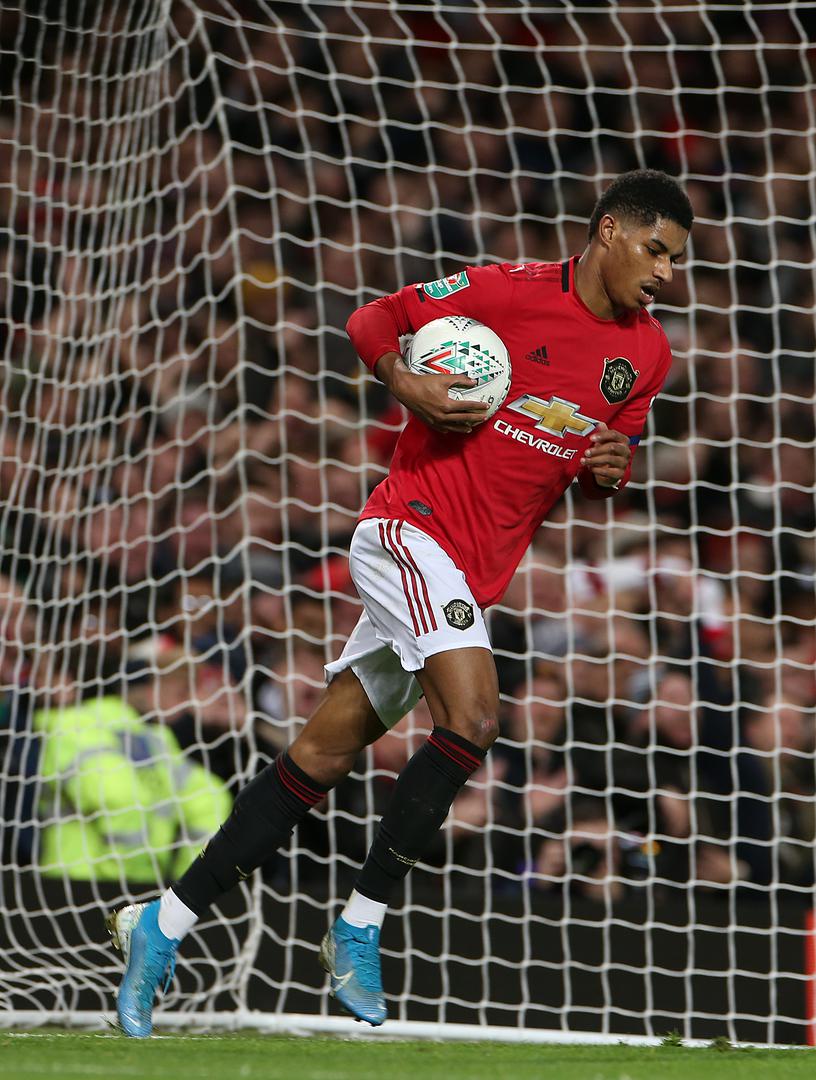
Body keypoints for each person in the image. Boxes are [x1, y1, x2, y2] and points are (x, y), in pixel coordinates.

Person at [107, 169, 693, 1037]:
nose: (665, 274)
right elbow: (372, 319)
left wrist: (611, 470)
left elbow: (603, 463)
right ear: (608, 230)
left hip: (471, 574)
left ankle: (163, 922)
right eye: (656, 251)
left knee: (321, 755)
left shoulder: (646, 355)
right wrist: (404, 381)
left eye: (676, 261)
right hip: (406, 533)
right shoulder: (506, 290)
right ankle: (359, 925)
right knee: (476, 717)